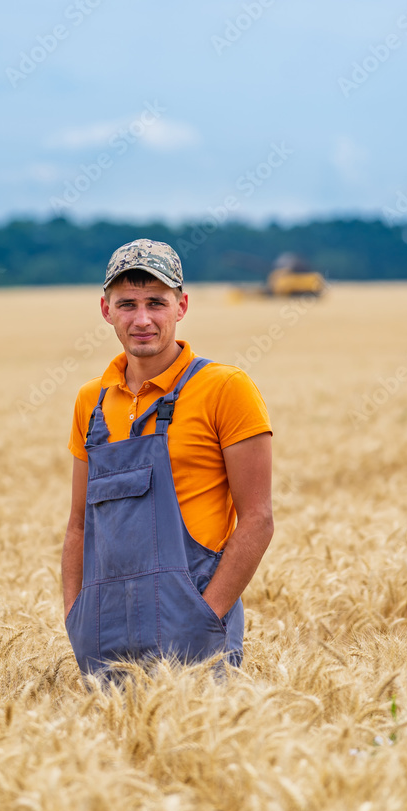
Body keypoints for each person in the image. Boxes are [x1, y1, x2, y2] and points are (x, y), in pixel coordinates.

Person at [62, 238, 274, 677]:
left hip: (194, 631)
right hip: (104, 635)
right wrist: (76, 619)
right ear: (106, 310)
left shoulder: (225, 389)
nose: (142, 319)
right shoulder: (92, 402)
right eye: (127, 304)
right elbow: (78, 525)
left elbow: (258, 518)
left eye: (156, 303)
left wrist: (204, 618)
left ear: (182, 306)